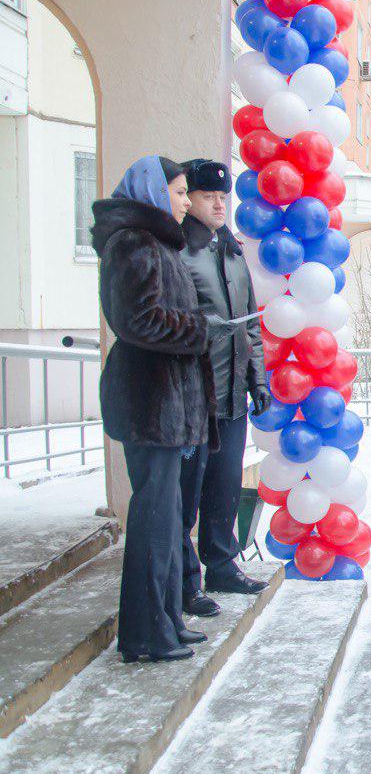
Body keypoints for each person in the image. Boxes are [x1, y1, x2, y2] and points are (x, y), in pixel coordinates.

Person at [92, 156, 223, 663]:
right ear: (152, 192)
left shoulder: (156, 243)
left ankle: (167, 619)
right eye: (180, 191)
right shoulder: (133, 244)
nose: (187, 201)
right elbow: (138, 321)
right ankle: (145, 635)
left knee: (168, 523)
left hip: (168, 405)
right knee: (152, 524)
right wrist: (199, 329)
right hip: (149, 405)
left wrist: (201, 323)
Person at [176, 159, 270, 619]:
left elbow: (249, 325)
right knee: (186, 493)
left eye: (223, 196)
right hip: (194, 394)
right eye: (207, 195)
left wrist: (258, 379)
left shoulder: (230, 250)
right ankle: (184, 580)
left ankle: (221, 564)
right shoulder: (178, 250)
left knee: (225, 486)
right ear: (187, 199)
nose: (218, 203)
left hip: (232, 392)